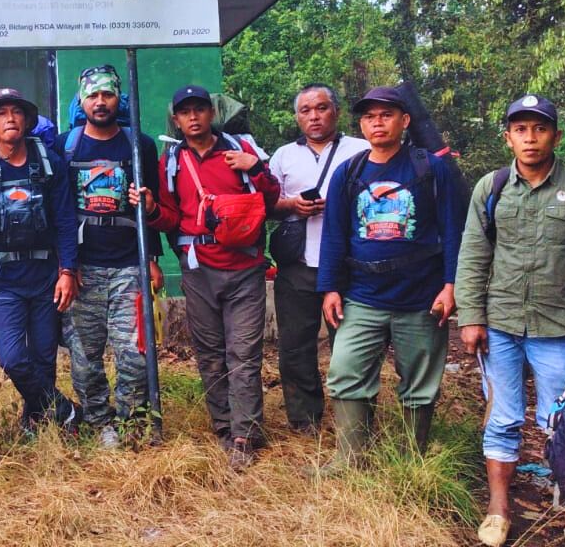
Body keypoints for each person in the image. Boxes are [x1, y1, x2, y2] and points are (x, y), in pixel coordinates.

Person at [456, 95, 565, 547]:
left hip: (561, 326)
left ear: (556, 135)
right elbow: (473, 254)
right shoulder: (491, 188)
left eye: (540, 129)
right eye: (521, 129)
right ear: (508, 136)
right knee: (503, 418)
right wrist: (470, 316)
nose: (530, 138)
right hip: (502, 323)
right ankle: (499, 508)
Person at [316, 86, 466, 470]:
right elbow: (334, 235)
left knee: (418, 386)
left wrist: (451, 286)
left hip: (421, 298)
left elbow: (453, 231)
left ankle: (410, 459)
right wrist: (330, 287)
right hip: (363, 297)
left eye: (385, 115)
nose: (377, 122)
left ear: (404, 121)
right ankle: (351, 458)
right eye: (369, 116)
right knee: (346, 372)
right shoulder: (348, 173)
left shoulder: (430, 169)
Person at [135, 85, 280, 469]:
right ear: (177, 120)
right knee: (210, 355)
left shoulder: (240, 151)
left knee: (244, 354)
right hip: (198, 271)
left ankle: (244, 435)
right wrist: (151, 210)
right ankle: (223, 426)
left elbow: (271, 198)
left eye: (200, 110)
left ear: (211, 114)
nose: (193, 117)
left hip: (245, 268)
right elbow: (170, 218)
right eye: (185, 112)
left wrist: (257, 169)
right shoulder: (172, 163)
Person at [0, 88, 82, 434]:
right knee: (12, 358)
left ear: (26, 120)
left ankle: (37, 424)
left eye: (17, 111)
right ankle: (63, 409)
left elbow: (66, 219)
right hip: (2, 277)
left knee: (43, 355)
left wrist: (67, 270)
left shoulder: (49, 160)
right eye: (1, 113)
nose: (10, 118)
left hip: (44, 274)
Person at [56, 65, 164, 448]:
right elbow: (60, 212)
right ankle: (99, 422)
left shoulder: (140, 146)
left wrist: (152, 257)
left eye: (107, 94)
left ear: (119, 98)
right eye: (92, 95)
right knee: (85, 356)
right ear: (81, 100)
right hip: (83, 269)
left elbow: (153, 207)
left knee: (134, 353)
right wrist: (65, 266)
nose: (100, 102)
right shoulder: (66, 147)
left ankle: (132, 419)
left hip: (128, 265)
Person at [266, 84, 369, 432]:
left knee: (353, 347)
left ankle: (354, 418)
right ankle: (303, 418)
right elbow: (268, 204)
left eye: (321, 108)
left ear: (336, 112)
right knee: (295, 346)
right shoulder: (283, 155)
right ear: (297, 116)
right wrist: (292, 205)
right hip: (298, 264)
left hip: (351, 267)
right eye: (305, 110)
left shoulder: (362, 150)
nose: (314, 116)